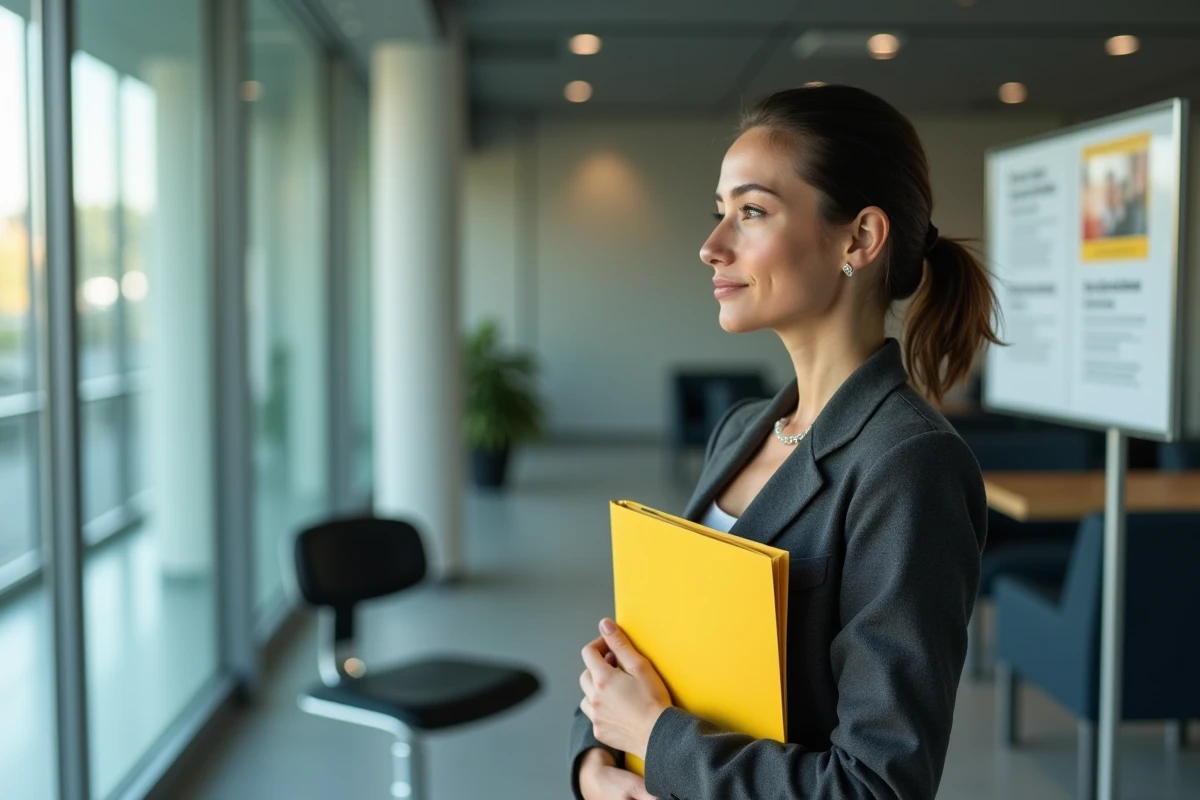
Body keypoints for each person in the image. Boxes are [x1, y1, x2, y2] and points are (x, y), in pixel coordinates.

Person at [568, 84, 999, 800]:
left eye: (752, 212)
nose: (711, 246)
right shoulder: (741, 429)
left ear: (858, 239)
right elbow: (654, 653)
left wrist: (654, 740)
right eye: (719, 213)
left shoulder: (908, 465)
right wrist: (594, 766)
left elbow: (875, 787)